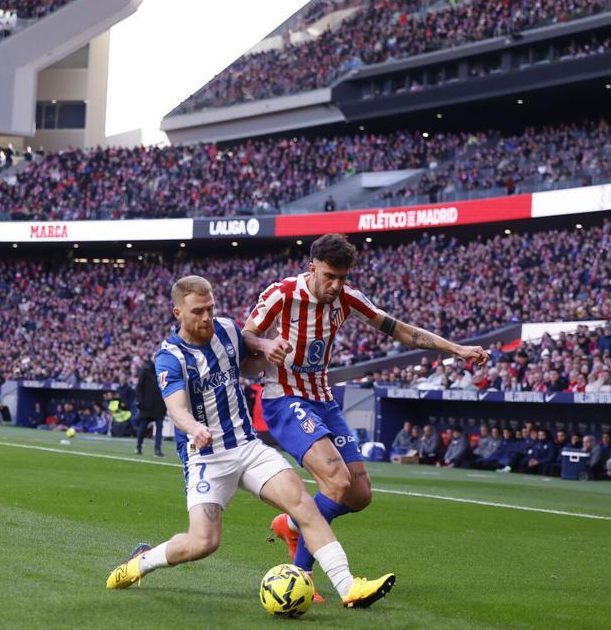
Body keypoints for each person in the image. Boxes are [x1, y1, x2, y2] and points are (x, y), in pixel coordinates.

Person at [105, 275, 395, 609]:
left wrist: (268, 348)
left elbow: (251, 360)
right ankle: (140, 563)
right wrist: (193, 427)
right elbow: (176, 409)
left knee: (304, 504)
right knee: (203, 542)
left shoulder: (227, 329)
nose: (206, 318)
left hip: (248, 447)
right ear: (177, 314)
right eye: (198, 311)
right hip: (206, 458)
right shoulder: (169, 356)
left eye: (210, 308)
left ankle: (349, 588)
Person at [245, 233, 488, 581]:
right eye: (329, 276)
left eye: (342, 278)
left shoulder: (347, 299)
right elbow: (244, 335)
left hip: (323, 399)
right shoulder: (281, 294)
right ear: (312, 267)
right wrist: (265, 343)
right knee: (335, 481)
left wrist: (457, 349)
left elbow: (401, 330)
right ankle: (300, 575)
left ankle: (295, 522)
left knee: (358, 495)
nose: (335, 285)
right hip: (284, 397)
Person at [135, 356, 167, 456]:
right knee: (143, 427)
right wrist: (140, 401)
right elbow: (139, 387)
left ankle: (157, 449)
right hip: (147, 405)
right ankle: (138, 446)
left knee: (159, 427)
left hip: (159, 405)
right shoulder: (146, 370)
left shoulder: (163, 372)